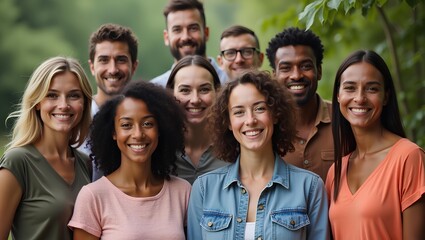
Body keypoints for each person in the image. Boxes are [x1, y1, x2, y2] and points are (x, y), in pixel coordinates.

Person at [187, 71, 329, 240]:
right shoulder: (204, 188)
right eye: (239, 112)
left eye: (259, 108)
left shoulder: (310, 187)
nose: (250, 120)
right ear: (229, 123)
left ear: (275, 114)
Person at [68, 80, 191, 239]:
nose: (138, 134)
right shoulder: (93, 196)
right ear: (113, 133)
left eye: (148, 123)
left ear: (160, 129)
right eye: (126, 125)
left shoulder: (182, 192)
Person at [326, 50, 425, 239]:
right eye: (350, 88)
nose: (360, 98)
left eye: (371, 88)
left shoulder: (409, 157)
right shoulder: (335, 171)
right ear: (338, 95)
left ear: (386, 96)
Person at [0, 56, 93, 240]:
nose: (64, 105)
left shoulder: (84, 163)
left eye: (74, 95)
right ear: (37, 103)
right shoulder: (18, 162)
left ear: (84, 104)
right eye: (52, 95)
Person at [266, 27, 333, 181]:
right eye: (286, 68)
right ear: (274, 76)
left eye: (305, 66)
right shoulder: (264, 127)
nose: (296, 75)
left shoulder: (344, 120)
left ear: (319, 71)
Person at [80, 23, 139, 181]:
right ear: (92, 67)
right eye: (104, 60)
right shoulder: (75, 117)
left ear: (134, 66)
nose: (113, 69)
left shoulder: (147, 121)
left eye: (121, 60)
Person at [166, 55, 229, 184]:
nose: (195, 99)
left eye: (204, 89)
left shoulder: (233, 146)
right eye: (185, 90)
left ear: (218, 92)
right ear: (171, 94)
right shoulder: (159, 149)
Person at [151, 0, 227, 87]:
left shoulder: (230, 83)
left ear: (206, 33)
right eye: (177, 30)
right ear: (166, 37)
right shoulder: (154, 90)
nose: (185, 37)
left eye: (193, 28)